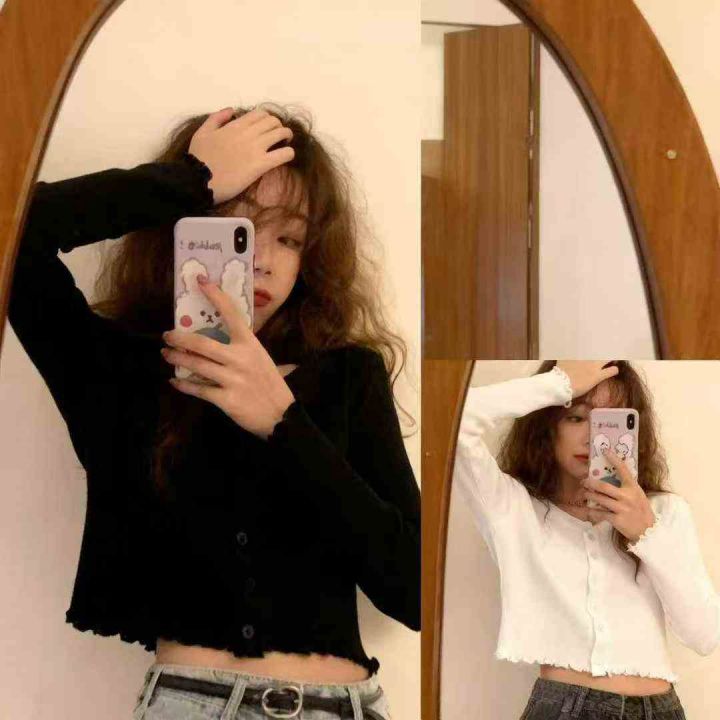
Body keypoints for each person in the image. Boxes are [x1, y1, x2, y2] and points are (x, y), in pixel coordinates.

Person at [7, 104, 419, 720]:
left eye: (289, 237)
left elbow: (413, 591)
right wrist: (190, 179)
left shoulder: (348, 375)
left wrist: (283, 422)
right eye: (236, 229)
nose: (263, 259)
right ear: (184, 231)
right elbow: (13, 230)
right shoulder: (112, 369)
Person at [453, 360, 719, 720]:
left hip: (662, 710)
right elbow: (456, 418)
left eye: (609, 420)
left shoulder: (664, 513)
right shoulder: (512, 507)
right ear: (548, 425)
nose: (593, 436)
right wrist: (559, 384)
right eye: (576, 417)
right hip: (567, 708)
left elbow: (705, 635)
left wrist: (646, 532)